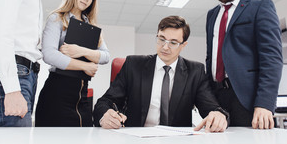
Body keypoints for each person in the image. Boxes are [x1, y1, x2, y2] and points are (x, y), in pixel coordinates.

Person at [93, 16, 228, 132]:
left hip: (177, 143)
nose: (164, 47)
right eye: (161, 39)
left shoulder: (195, 71)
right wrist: (105, 115)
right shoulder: (133, 65)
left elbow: (211, 108)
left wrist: (218, 116)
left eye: (173, 42)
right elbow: (105, 102)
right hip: (135, 141)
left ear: (183, 45)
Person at [205, 0, 283, 129]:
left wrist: (264, 103)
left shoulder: (260, 7)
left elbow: (272, 58)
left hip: (247, 99)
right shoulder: (212, 15)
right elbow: (211, 58)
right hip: (217, 99)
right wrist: (208, 98)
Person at [35, 0, 110, 127]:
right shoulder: (57, 18)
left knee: (83, 142)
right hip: (57, 91)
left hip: (82, 94)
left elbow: (106, 56)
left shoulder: (92, 27)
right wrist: (85, 66)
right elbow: (49, 54)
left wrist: (79, 51)